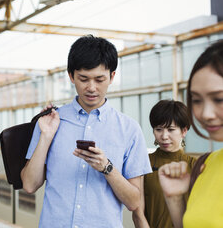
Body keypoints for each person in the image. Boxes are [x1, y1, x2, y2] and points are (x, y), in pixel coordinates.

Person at [21, 35, 152, 227]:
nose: (91, 88)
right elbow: (30, 185)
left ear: (112, 77)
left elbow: (134, 202)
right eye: (83, 79)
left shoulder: (129, 129)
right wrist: (46, 137)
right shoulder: (50, 121)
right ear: (71, 76)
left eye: (99, 79)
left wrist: (107, 167)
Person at [158, 40, 223, 228]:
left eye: (219, 99)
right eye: (196, 100)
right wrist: (175, 198)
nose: (205, 114)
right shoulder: (206, 164)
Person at [132, 100, 196, 228]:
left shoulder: (195, 166)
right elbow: (138, 213)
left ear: (184, 131)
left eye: (171, 129)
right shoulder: (144, 162)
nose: (164, 136)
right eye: (158, 129)